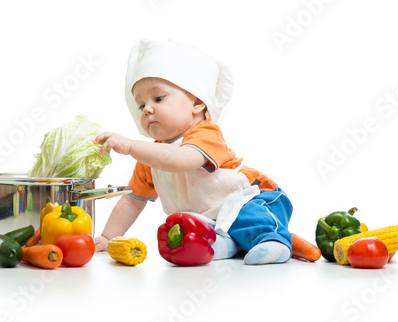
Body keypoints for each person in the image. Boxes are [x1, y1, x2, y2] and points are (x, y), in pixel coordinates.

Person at [93, 39, 293, 265]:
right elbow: (132, 201)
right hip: (211, 218)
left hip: (255, 198)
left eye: (158, 98)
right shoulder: (151, 157)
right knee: (189, 228)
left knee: (247, 217)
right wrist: (108, 236)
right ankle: (224, 244)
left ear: (197, 103)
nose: (147, 109)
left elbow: (178, 160)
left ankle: (273, 242)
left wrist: (130, 146)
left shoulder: (205, 134)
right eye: (141, 105)